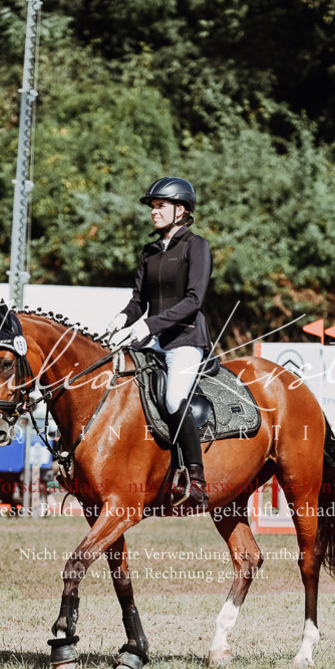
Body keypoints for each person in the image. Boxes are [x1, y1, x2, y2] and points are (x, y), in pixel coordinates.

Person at [106, 177, 213, 509]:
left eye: (160, 206)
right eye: (152, 207)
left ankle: (195, 478)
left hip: (184, 340)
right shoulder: (149, 251)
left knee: (172, 398)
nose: (154, 212)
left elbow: (194, 300)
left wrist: (147, 327)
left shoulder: (197, 246)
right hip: (152, 341)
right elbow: (139, 300)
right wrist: (122, 319)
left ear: (181, 210)